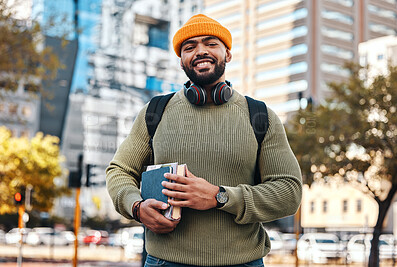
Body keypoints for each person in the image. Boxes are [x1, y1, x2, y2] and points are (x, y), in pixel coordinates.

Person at [106, 14, 302, 267]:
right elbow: (119, 171)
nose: (200, 51)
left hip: (243, 262)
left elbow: (289, 191)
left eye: (211, 44)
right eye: (190, 47)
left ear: (227, 54)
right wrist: (136, 207)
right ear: (182, 61)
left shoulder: (261, 116)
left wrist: (220, 197)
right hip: (165, 262)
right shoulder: (155, 112)